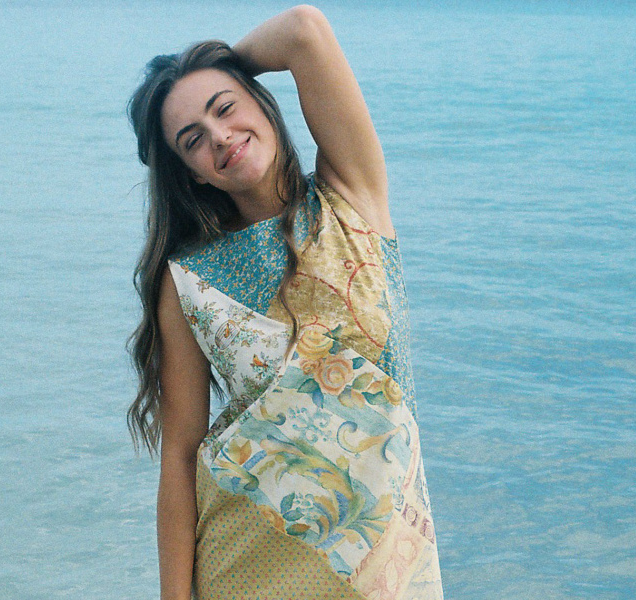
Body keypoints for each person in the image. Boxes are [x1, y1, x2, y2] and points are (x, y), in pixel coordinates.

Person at [127, 6, 443, 599]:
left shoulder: (352, 200)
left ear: (262, 102)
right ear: (192, 174)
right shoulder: (188, 282)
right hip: (247, 567)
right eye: (193, 140)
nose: (219, 136)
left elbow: (303, 31)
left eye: (225, 108)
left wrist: (224, 64)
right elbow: (181, 457)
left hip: (387, 568)